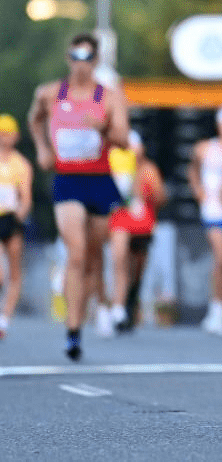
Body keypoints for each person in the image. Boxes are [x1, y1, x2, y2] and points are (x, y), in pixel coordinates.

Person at [27, 33, 129, 360]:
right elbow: (34, 119)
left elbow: (124, 139)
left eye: (88, 57)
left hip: (99, 178)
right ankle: (73, 331)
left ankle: (92, 308)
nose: (81, 63)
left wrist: (101, 128)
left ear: (96, 60)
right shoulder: (49, 93)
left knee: (94, 257)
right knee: (77, 253)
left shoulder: (109, 96)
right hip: (67, 178)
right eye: (76, 56)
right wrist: (43, 149)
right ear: (68, 57)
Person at [190, 105, 222, 336]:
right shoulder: (205, 148)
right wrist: (198, 190)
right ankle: (216, 308)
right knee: (221, 258)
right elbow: (192, 170)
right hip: (213, 210)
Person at [108, 130, 166, 333]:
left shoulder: (149, 169)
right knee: (120, 260)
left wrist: (147, 190)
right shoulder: (113, 166)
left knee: (137, 267)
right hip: (121, 220)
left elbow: (161, 198)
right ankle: (118, 307)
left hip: (143, 224)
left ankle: (131, 299)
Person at [0, 114, 33, 339]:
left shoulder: (20, 164)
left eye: (8, 134)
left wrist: (20, 216)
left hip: (11, 220)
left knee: (14, 272)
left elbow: (26, 196)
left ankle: (5, 318)